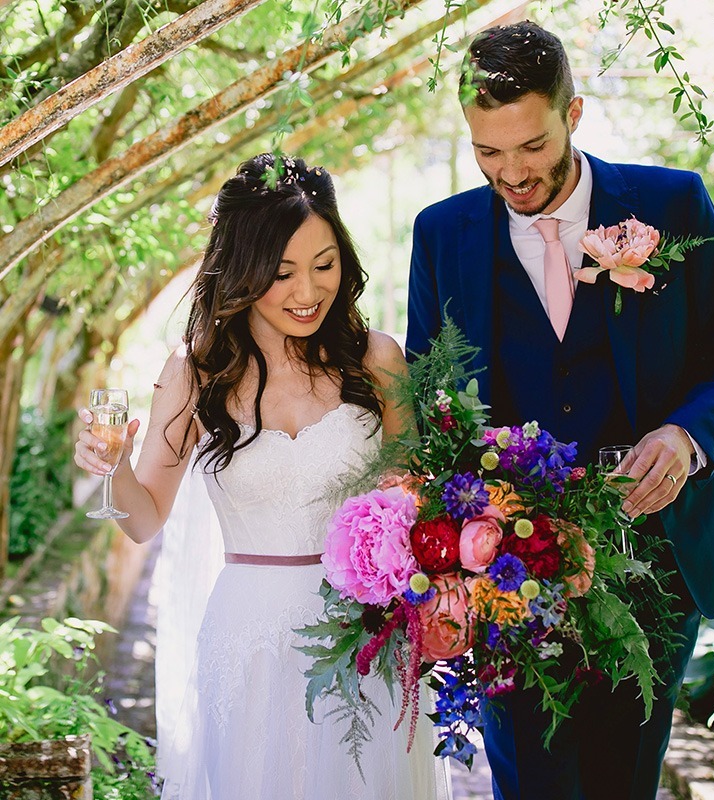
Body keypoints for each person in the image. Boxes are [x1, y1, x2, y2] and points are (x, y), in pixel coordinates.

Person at [406, 21, 714, 800]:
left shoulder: (672, 204)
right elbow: (428, 400)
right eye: (488, 152)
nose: (512, 172)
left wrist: (687, 434)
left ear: (574, 115)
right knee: (531, 783)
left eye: (531, 145)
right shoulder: (442, 236)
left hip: (655, 560)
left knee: (622, 783)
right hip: (507, 569)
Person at [75, 154, 450, 800]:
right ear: (245, 270)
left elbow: (415, 502)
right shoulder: (197, 372)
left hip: (365, 638)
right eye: (282, 273)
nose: (308, 292)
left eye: (324, 266)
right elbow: (143, 519)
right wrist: (112, 471)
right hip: (247, 646)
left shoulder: (377, 360)